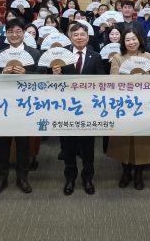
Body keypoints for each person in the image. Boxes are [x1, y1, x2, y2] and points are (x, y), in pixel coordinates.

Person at [0, 19, 43, 195]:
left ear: (24, 33)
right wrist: (2, 72)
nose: (14, 34)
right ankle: (1, 178)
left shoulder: (34, 53)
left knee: (23, 144)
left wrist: (27, 73)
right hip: (5, 104)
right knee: (3, 144)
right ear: (6, 34)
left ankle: (23, 178)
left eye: (18, 31)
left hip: (25, 104)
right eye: (10, 31)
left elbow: (43, 77)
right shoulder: (0, 53)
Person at [51, 22, 104, 195]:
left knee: (88, 147)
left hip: (88, 109)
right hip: (66, 108)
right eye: (76, 35)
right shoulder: (61, 55)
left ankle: (88, 178)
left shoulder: (96, 56)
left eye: (82, 34)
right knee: (68, 147)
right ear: (70, 37)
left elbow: (101, 82)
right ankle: (70, 178)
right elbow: (50, 84)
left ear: (88, 37)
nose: (79, 37)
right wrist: (55, 75)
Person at [107, 29, 150, 190]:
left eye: (134, 39)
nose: (131, 42)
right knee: (124, 140)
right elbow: (113, 81)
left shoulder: (148, 57)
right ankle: (126, 171)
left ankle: (139, 173)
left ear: (139, 40)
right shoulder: (118, 58)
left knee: (143, 140)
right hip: (124, 104)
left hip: (144, 104)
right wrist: (130, 79)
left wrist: (144, 80)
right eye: (127, 39)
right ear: (123, 42)